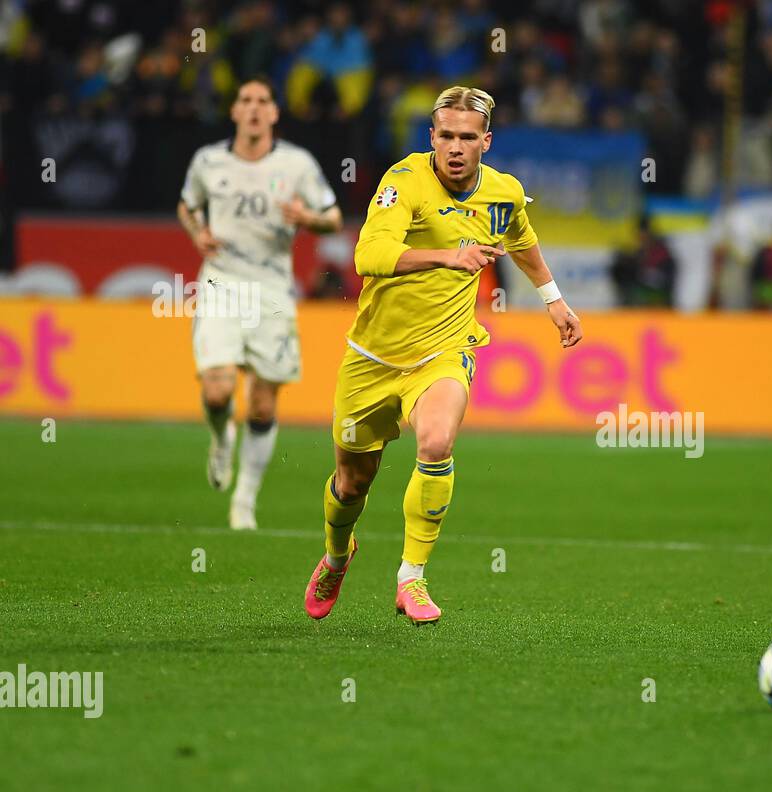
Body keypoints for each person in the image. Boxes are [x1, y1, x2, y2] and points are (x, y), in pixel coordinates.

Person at [303, 86, 583, 625]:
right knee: (352, 483)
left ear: (486, 142)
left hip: (445, 350)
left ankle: (412, 576)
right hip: (372, 358)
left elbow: (520, 237)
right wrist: (447, 257)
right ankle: (337, 557)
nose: (456, 147)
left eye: (467, 138)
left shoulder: (503, 192)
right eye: (446, 135)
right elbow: (369, 254)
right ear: (432, 136)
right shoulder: (403, 181)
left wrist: (554, 300)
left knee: (435, 441)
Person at [177, 76, 342, 530]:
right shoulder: (208, 161)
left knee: (263, 405)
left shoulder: (297, 164)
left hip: (271, 288)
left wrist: (307, 217)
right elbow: (187, 205)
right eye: (245, 100)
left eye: (262, 101)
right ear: (234, 111)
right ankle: (220, 439)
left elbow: (333, 217)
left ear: (273, 112)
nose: (253, 108)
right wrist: (197, 234)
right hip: (221, 281)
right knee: (217, 390)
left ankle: (244, 500)